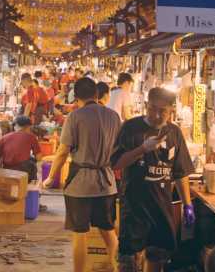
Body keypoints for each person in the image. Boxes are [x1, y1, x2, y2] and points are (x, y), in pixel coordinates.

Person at [112, 87, 195, 272]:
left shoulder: (174, 133)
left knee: (157, 259)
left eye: (162, 111)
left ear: (171, 110)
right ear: (146, 105)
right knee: (129, 263)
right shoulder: (130, 127)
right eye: (152, 108)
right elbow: (116, 163)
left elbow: (180, 173)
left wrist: (188, 205)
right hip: (134, 208)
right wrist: (142, 149)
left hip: (161, 209)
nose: (156, 115)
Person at [44, 78, 121, 272]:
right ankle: (119, 268)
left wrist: (51, 177)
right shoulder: (114, 116)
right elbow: (120, 150)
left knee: (80, 234)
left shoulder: (75, 117)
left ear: (76, 97)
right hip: (106, 182)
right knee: (109, 232)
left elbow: (62, 152)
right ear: (97, 94)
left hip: (80, 185)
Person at [0, 115, 42, 181]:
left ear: (16, 126)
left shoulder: (4, 137)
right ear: (28, 127)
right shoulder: (31, 137)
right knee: (32, 162)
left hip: (7, 169)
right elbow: (39, 157)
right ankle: (30, 185)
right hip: (24, 171)